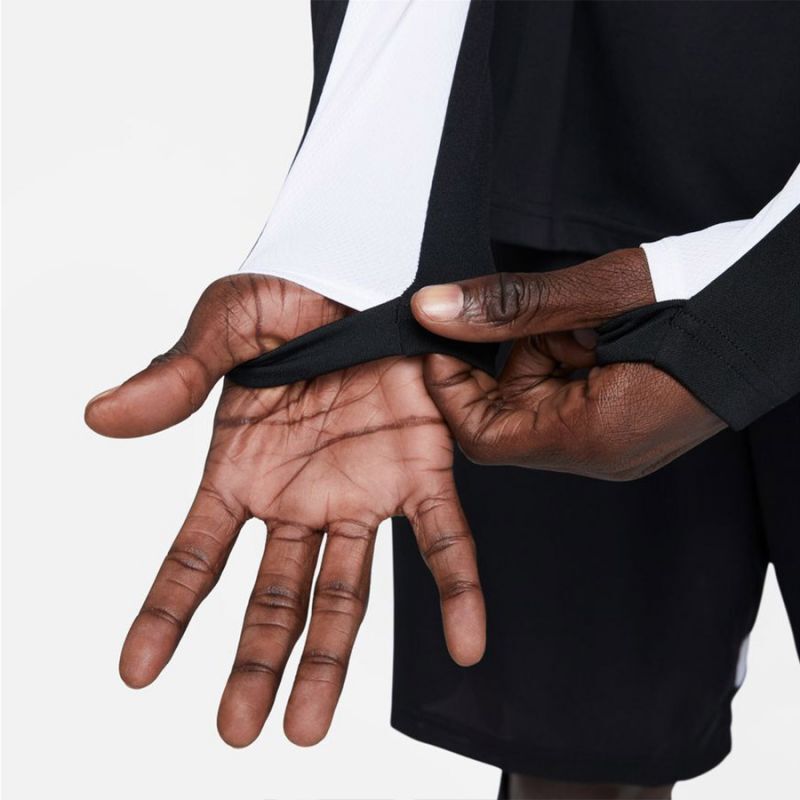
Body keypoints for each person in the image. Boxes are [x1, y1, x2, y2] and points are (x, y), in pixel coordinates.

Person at [85, 2, 800, 797]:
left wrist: (766, 306)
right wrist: (356, 239)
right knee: (580, 755)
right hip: (565, 152)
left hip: (586, 172)